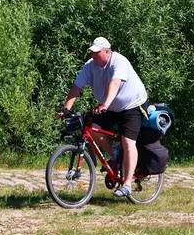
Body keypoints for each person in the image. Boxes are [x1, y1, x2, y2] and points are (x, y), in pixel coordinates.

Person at [60, 37, 148, 198]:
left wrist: (105, 104)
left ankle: (127, 184)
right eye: (92, 52)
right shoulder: (90, 66)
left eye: (97, 52)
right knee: (90, 127)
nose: (94, 55)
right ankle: (114, 154)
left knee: (128, 142)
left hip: (132, 106)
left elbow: (114, 83)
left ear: (107, 51)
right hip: (109, 107)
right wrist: (66, 109)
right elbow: (76, 87)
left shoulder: (119, 62)